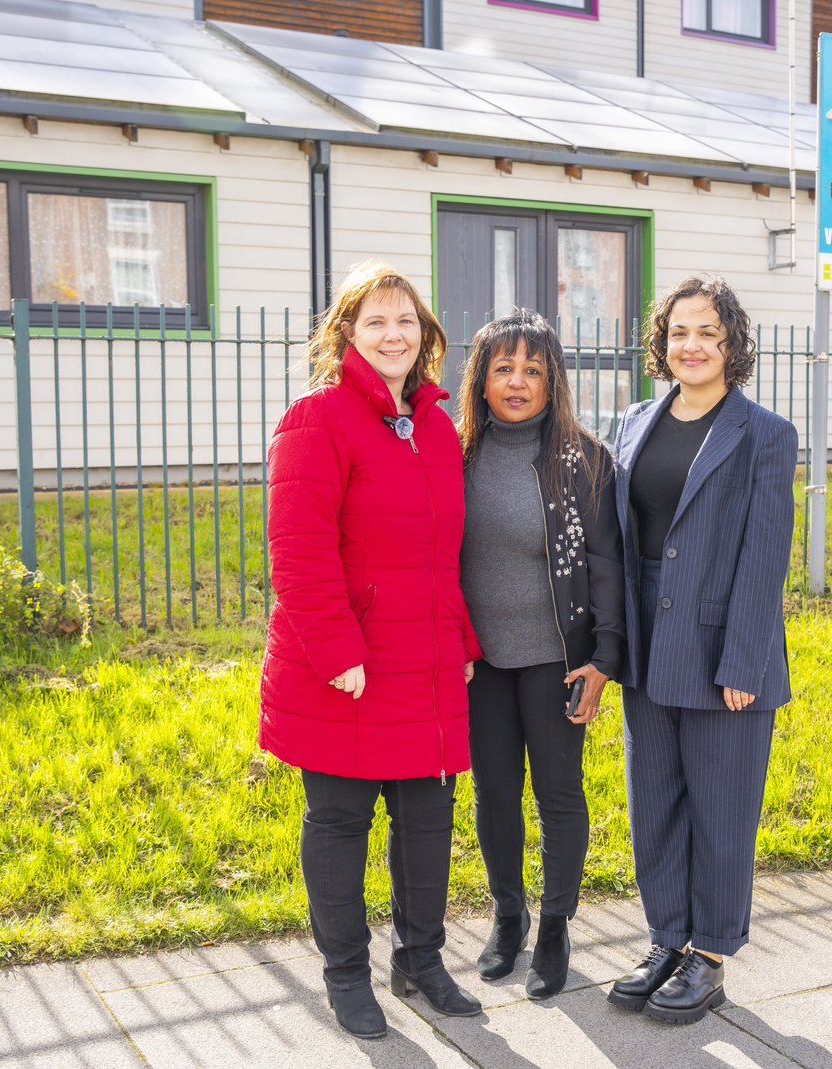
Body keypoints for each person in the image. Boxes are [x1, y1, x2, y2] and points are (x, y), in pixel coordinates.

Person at [259, 262, 483, 1041]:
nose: (394, 334)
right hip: (346, 670)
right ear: (347, 333)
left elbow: (442, 551)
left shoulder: (433, 427)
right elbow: (298, 548)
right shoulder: (316, 418)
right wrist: (335, 650)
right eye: (377, 321)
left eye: (406, 322)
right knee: (341, 821)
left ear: (424, 337)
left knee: (427, 819)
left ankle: (420, 961)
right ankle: (347, 975)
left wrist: (461, 637)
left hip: (424, 663)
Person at [607, 276, 798, 1025]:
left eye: (708, 334)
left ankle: (710, 955)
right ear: (662, 341)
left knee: (721, 809)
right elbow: (622, 545)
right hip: (649, 647)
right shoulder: (632, 423)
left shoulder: (764, 435)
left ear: (732, 345)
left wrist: (744, 663)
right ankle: (666, 939)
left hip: (724, 648)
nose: (692, 345)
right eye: (680, 331)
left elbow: (764, 557)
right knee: (654, 801)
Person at [457, 309, 624, 1000]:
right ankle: (508, 913)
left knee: (558, 793)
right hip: (480, 662)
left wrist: (605, 657)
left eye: (533, 368)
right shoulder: (454, 452)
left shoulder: (584, 458)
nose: (518, 381)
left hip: (558, 658)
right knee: (495, 793)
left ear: (553, 379)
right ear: (481, 379)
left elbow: (609, 565)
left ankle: (554, 923)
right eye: (504, 368)